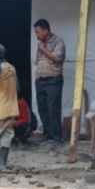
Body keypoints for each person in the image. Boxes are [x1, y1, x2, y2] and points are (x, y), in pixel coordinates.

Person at [34, 18, 66, 149]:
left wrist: (44, 49)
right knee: (43, 108)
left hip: (53, 80)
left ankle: (56, 137)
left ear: (46, 30)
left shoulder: (58, 41)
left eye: (38, 32)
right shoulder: (41, 43)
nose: (37, 35)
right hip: (41, 80)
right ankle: (46, 133)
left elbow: (57, 58)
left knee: (53, 108)